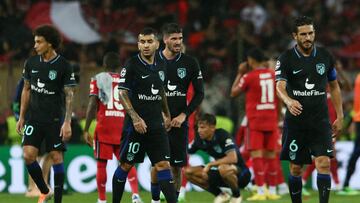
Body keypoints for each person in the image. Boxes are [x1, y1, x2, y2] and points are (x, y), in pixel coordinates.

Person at [275, 16, 343, 203]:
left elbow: (335, 86)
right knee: (296, 168)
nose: (307, 37)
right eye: (303, 34)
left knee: (324, 163)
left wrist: (340, 115)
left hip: (321, 121)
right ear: (295, 36)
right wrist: (288, 101)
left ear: (315, 34)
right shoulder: (286, 58)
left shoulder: (325, 56)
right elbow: (279, 86)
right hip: (296, 122)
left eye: (310, 33)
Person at [112, 27, 177, 203]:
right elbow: (122, 93)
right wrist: (135, 118)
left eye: (149, 41)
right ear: (138, 44)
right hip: (136, 126)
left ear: (157, 44)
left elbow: (161, 90)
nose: (146, 45)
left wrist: (166, 113)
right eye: (142, 42)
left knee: (163, 165)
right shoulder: (132, 64)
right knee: (126, 165)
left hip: (156, 124)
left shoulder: (162, 64)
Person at [15, 25, 76, 203]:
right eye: (35, 42)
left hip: (55, 119)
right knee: (28, 155)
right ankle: (44, 189)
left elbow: (69, 94)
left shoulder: (64, 65)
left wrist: (67, 122)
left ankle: (57, 201)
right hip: (34, 118)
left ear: (49, 44)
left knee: (56, 157)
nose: (35, 45)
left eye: (39, 42)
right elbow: (26, 90)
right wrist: (22, 117)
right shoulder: (31, 63)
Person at [150, 23, 204, 203]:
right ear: (164, 40)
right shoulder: (153, 60)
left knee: (176, 166)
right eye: (173, 38)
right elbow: (146, 91)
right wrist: (160, 115)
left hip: (180, 123)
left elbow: (200, 93)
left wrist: (184, 115)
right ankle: (155, 200)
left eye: (180, 38)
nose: (178, 42)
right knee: (158, 164)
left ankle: (175, 199)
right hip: (157, 122)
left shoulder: (190, 63)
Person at [83, 52, 143, 203]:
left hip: (104, 127)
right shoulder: (126, 79)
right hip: (123, 126)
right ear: (119, 66)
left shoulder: (98, 79)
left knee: (101, 164)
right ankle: (135, 195)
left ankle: (102, 200)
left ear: (104, 65)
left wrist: (86, 129)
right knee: (127, 162)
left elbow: (91, 105)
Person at [230, 47, 281, 201]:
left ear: (251, 60)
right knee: (271, 156)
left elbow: (233, 93)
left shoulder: (249, 76)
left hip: (256, 121)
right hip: (272, 119)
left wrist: (240, 73)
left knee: (257, 156)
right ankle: (272, 190)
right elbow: (279, 98)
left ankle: (260, 191)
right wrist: (278, 118)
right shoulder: (273, 75)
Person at [185, 113, 250, 203]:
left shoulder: (222, 135)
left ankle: (236, 196)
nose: (199, 130)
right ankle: (221, 195)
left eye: (203, 127)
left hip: (241, 174)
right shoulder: (199, 140)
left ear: (212, 128)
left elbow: (233, 158)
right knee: (188, 172)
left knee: (223, 168)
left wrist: (210, 164)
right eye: (198, 127)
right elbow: (187, 151)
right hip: (220, 173)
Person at [338, 73, 360, 195]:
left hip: (357, 118)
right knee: (356, 152)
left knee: (356, 152)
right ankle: (345, 184)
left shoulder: (358, 77)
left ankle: (345, 184)